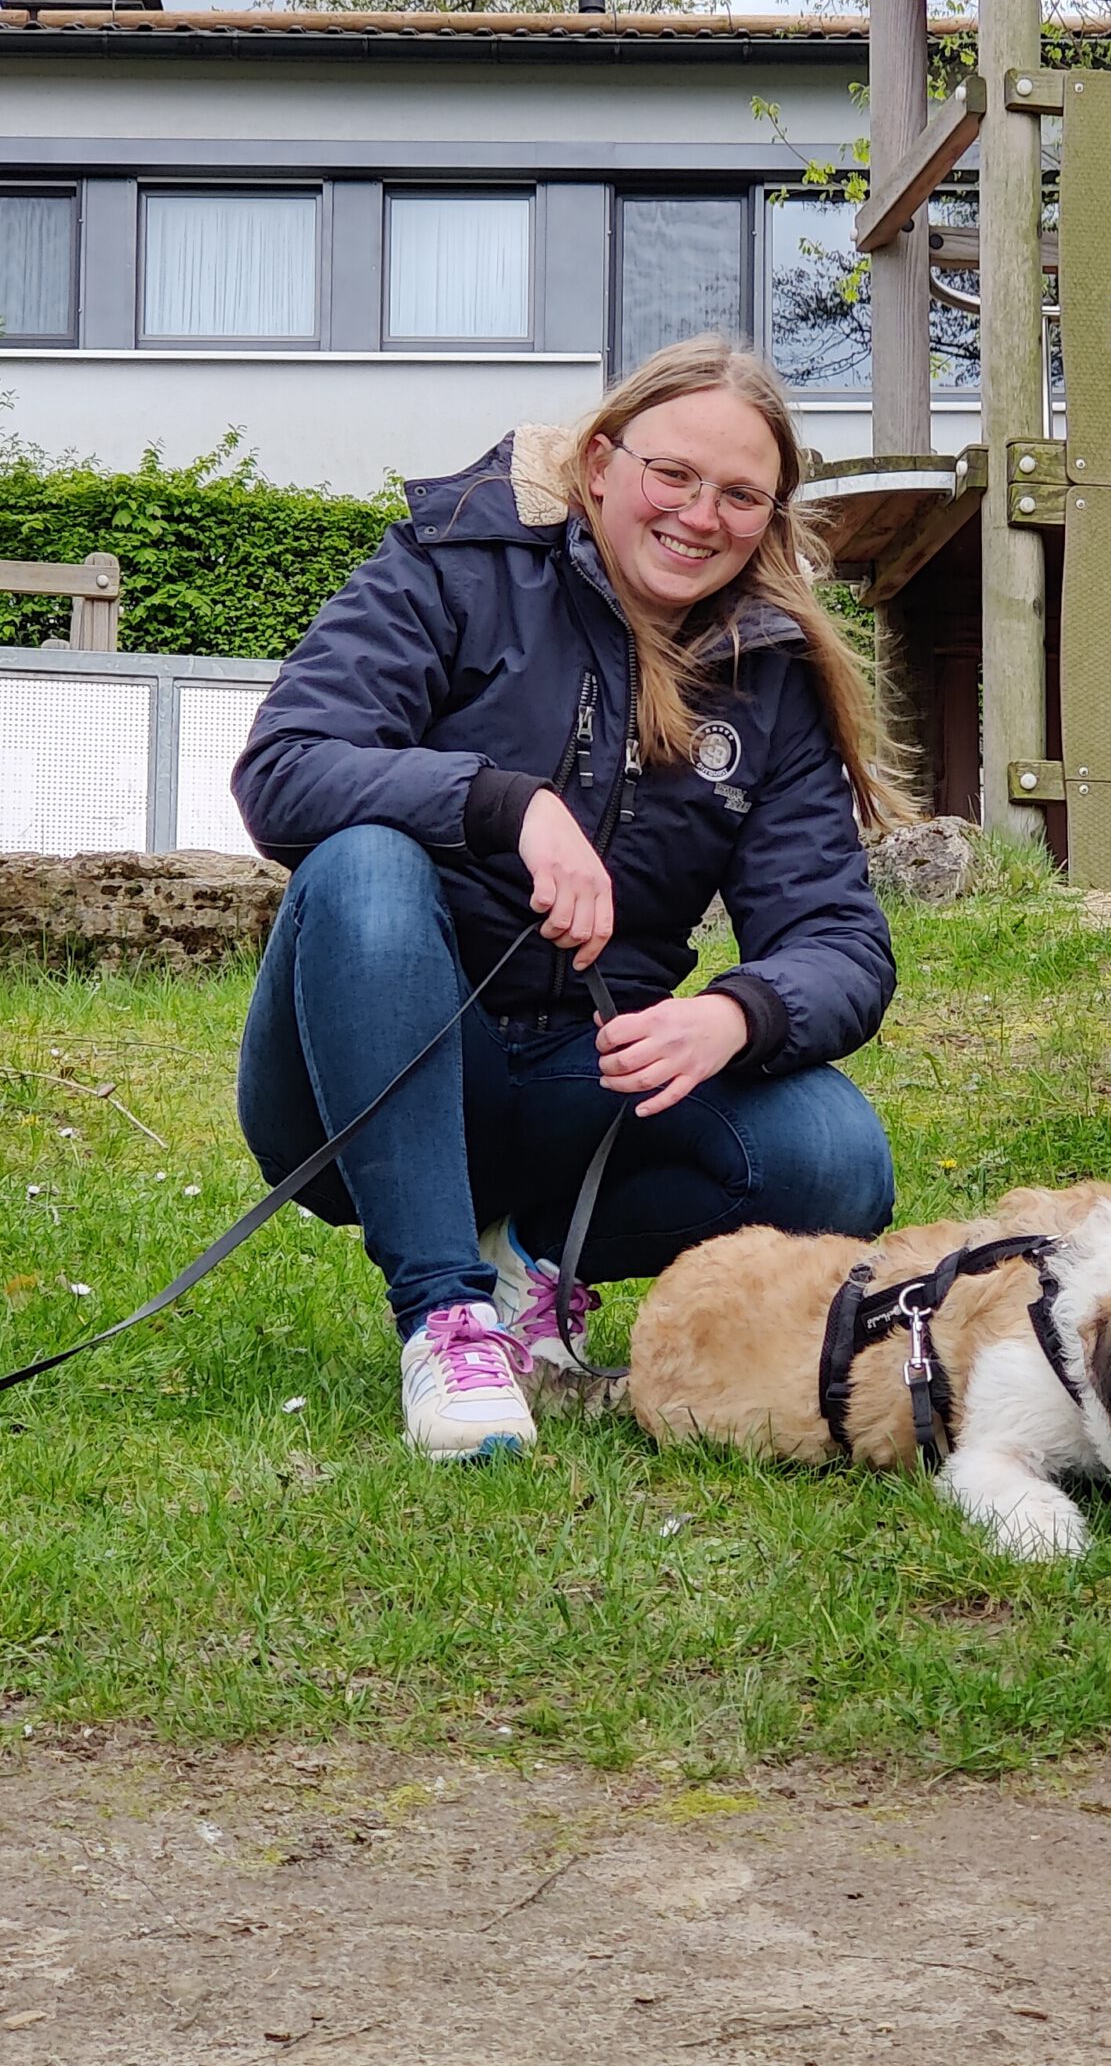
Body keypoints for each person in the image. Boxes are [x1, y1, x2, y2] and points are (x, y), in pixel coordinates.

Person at [232, 337, 899, 1459]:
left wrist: (736, 1013)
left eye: (741, 495)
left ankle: (526, 1260)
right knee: (364, 862)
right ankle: (445, 1317)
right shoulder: (455, 560)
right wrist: (501, 804)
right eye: (673, 474)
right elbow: (285, 767)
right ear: (600, 463)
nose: (700, 516)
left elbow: (837, 938)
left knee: (838, 1158)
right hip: (367, 1062)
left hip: (579, 1077)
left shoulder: (768, 674)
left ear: (771, 515)